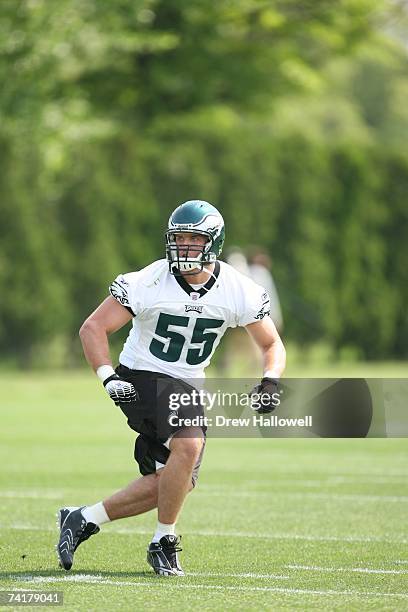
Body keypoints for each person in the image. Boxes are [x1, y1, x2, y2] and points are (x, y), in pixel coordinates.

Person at [56, 200, 286, 576]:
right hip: (140, 375)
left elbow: (271, 345)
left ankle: (82, 518)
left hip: (188, 385)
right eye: (179, 238)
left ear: (214, 243)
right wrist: (107, 377)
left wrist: (270, 380)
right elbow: (93, 327)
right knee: (189, 444)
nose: (184, 247)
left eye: (194, 239)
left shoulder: (238, 290)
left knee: (174, 482)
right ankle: (163, 542)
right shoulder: (148, 281)